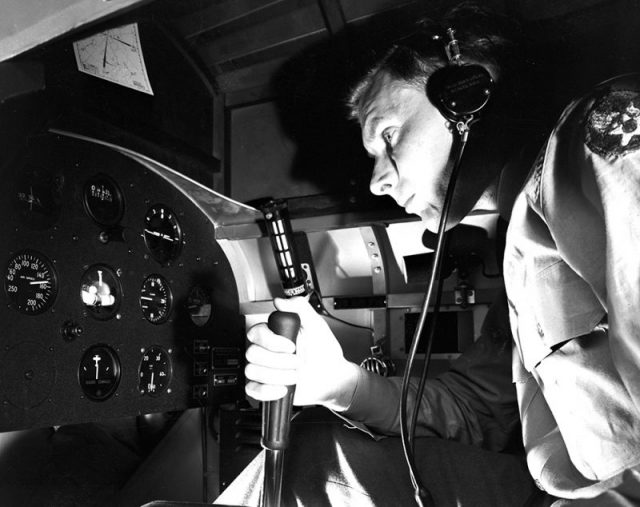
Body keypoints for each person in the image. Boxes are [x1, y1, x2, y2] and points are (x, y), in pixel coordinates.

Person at [216, 4, 640, 506]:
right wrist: (337, 382)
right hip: (558, 491)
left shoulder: (599, 138)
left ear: (467, 93)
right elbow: (473, 409)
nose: (377, 181)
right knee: (314, 450)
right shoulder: (518, 249)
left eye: (388, 135)